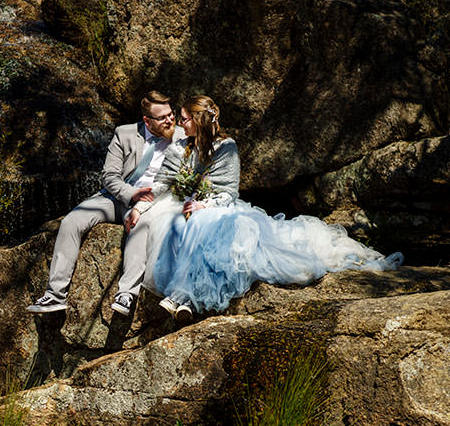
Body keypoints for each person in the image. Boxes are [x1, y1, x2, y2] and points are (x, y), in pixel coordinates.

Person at [125, 95, 402, 322]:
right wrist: (139, 207)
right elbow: (163, 182)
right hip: (186, 204)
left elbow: (228, 192)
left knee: (205, 224)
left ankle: (183, 298)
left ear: (197, 121)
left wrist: (203, 203)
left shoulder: (226, 147)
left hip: (217, 206)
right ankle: (185, 299)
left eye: (184, 119)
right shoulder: (179, 148)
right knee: (181, 224)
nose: (179, 125)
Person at [27, 91, 185, 314]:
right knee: (71, 221)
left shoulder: (182, 136)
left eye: (171, 114)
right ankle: (55, 295)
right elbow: (109, 176)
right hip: (118, 197)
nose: (170, 120)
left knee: (142, 227)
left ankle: (126, 294)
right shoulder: (125, 133)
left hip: (154, 202)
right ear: (147, 120)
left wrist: (142, 202)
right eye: (163, 118)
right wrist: (132, 194)